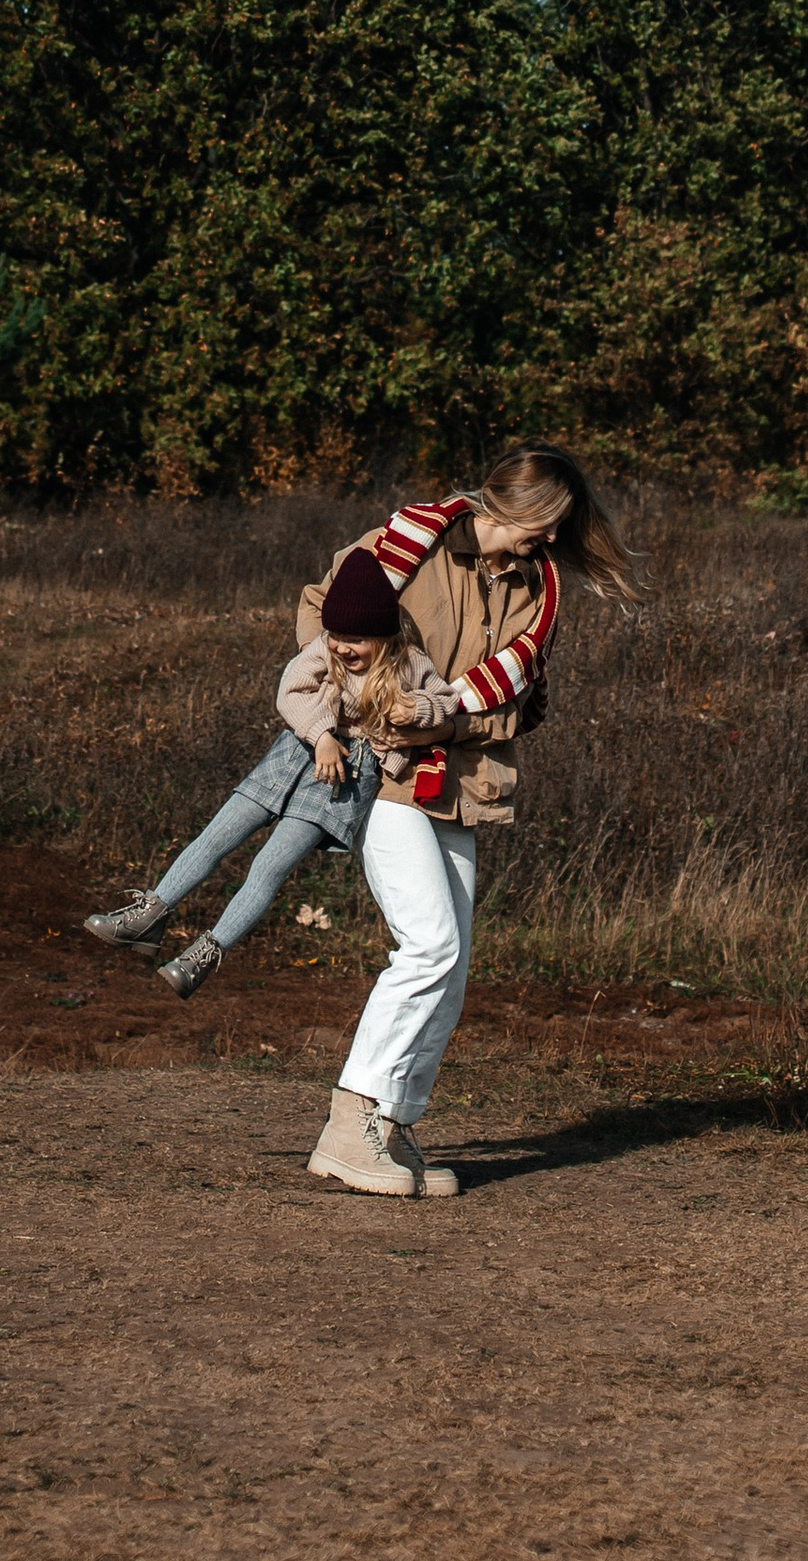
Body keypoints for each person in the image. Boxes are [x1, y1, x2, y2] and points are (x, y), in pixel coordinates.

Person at [306, 445, 635, 1204]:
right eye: (543, 524)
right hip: (382, 774)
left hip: (459, 781)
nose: (550, 541)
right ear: (510, 504)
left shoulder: (538, 588)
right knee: (430, 942)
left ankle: (391, 1125)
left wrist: (450, 718)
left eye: (559, 529)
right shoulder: (409, 542)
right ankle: (346, 1124)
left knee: (450, 968)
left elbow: (518, 695)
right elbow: (321, 613)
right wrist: (358, 709)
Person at [80, 548, 453, 992]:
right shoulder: (323, 650)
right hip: (297, 751)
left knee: (269, 865)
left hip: (345, 779)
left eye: (357, 639)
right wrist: (322, 736)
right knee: (216, 836)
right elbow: (289, 691)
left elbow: (446, 707)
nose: (343, 647)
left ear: (385, 636)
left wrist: (416, 709)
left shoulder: (410, 664)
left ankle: (205, 953)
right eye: (337, 635)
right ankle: (149, 916)